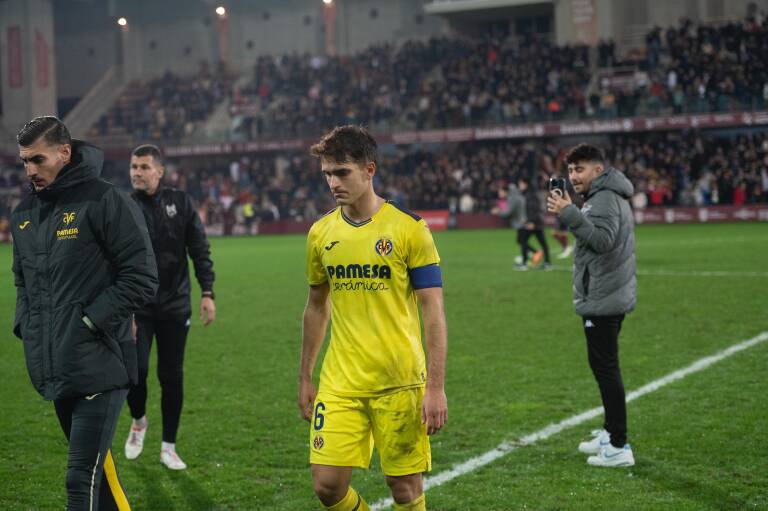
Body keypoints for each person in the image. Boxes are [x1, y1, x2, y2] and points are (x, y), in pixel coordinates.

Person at [298, 125, 448, 511]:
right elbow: (316, 305)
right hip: (340, 381)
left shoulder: (409, 229)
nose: (333, 182)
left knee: (405, 489)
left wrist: (435, 387)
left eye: (342, 172)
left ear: (369, 170)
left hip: (398, 380)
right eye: (328, 174)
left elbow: (432, 309)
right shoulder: (320, 233)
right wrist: (305, 377)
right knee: (327, 486)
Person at [11, 116, 158, 509]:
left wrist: (90, 322)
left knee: (80, 479)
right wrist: (26, 325)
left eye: (37, 160)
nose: (30, 170)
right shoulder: (24, 214)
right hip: (56, 363)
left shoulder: (105, 200)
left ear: (64, 152)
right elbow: (22, 281)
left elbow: (141, 275)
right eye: (24, 161)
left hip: (101, 362)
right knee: (102, 480)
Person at [123, 144, 216, 470]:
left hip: (175, 305)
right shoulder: (122, 206)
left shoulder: (181, 202)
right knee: (135, 372)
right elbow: (112, 259)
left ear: (159, 172)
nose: (137, 172)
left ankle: (169, 446)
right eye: (134, 166)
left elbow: (199, 249)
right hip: (138, 307)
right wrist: (124, 308)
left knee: (171, 376)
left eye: (144, 167)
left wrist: (207, 292)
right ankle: (138, 422)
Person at [546, 143, 637, 467]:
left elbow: (602, 240)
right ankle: (611, 432)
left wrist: (568, 213)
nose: (573, 176)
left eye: (579, 169)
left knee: (606, 370)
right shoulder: (605, 196)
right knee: (604, 368)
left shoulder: (604, 199)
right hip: (607, 293)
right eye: (570, 170)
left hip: (604, 298)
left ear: (598, 170)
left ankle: (618, 445)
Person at [518, 176, 551, 270]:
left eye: (520, 184)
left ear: (525, 184)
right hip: (536, 222)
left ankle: (524, 264)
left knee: (523, 240)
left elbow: (535, 209)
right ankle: (547, 263)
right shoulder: (529, 193)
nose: (519, 186)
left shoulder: (530, 195)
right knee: (542, 243)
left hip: (534, 223)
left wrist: (531, 221)